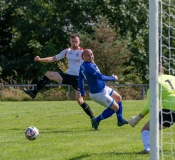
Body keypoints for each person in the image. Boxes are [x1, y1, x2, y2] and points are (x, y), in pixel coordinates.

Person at [23, 33, 95, 125]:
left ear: (79, 41)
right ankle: (34, 92)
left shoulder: (83, 52)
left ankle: (93, 118)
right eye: (73, 41)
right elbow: (53, 58)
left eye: (76, 41)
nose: (74, 43)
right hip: (67, 76)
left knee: (80, 101)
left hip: (77, 79)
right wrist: (40, 59)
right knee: (48, 74)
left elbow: (92, 63)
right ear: (70, 41)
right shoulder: (67, 51)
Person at [128, 63, 175, 154]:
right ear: (163, 70)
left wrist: (136, 119)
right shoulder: (173, 78)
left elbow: (150, 105)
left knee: (146, 129)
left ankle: (148, 148)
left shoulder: (155, 84)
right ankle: (154, 145)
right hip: (170, 109)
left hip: (170, 110)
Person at [79, 49, 128, 130]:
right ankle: (96, 120)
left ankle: (120, 120)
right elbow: (100, 77)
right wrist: (113, 78)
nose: (91, 56)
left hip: (103, 88)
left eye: (91, 54)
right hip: (98, 93)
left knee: (118, 98)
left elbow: (80, 78)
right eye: (88, 55)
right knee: (115, 108)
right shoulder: (89, 66)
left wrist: (82, 91)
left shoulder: (84, 65)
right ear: (84, 57)